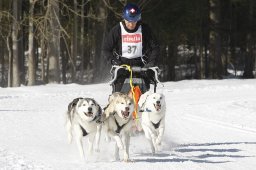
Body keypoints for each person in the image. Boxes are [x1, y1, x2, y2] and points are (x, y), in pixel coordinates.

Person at [102, 3, 160, 93]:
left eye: (134, 21)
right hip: (122, 64)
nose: (131, 24)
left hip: (141, 65)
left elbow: (155, 48)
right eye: (128, 21)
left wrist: (151, 62)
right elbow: (106, 49)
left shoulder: (144, 29)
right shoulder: (117, 30)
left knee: (144, 92)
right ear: (124, 19)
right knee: (119, 94)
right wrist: (114, 61)